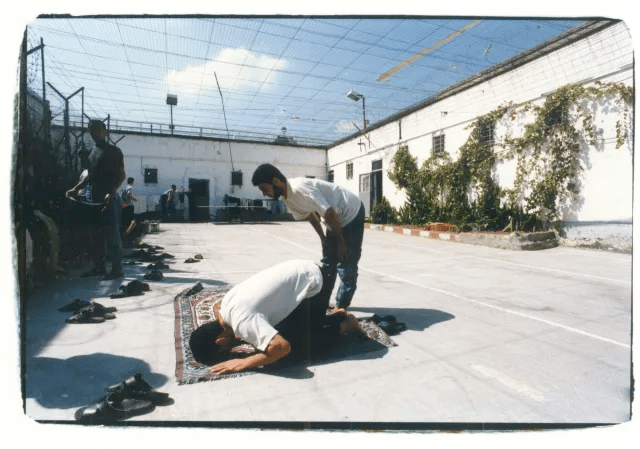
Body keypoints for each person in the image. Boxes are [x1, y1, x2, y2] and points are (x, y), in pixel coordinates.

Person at [188, 259, 364, 374]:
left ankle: (344, 324)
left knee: (292, 349)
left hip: (315, 284)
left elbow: (282, 347)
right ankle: (329, 317)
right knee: (272, 334)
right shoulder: (225, 305)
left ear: (220, 341)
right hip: (304, 268)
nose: (231, 352)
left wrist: (242, 363)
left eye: (225, 351)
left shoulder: (241, 321)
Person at [251, 163, 365, 312]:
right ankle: (322, 303)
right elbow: (310, 215)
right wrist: (323, 238)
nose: (264, 193)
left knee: (346, 262)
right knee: (328, 263)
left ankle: (341, 306)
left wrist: (342, 242)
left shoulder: (299, 189)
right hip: (334, 218)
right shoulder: (288, 200)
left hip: (351, 211)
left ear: (276, 181)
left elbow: (329, 212)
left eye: (264, 188)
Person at [66, 120, 126, 280]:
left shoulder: (114, 151)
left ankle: (117, 269)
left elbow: (121, 175)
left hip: (109, 198)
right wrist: (76, 188)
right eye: (92, 130)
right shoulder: (93, 152)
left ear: (105, 131)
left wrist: (111, 193)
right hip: (94, 198)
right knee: (96, 235)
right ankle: (99, 267)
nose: (95, 133)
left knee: (112, 234)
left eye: (98, 130)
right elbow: (89, 176)